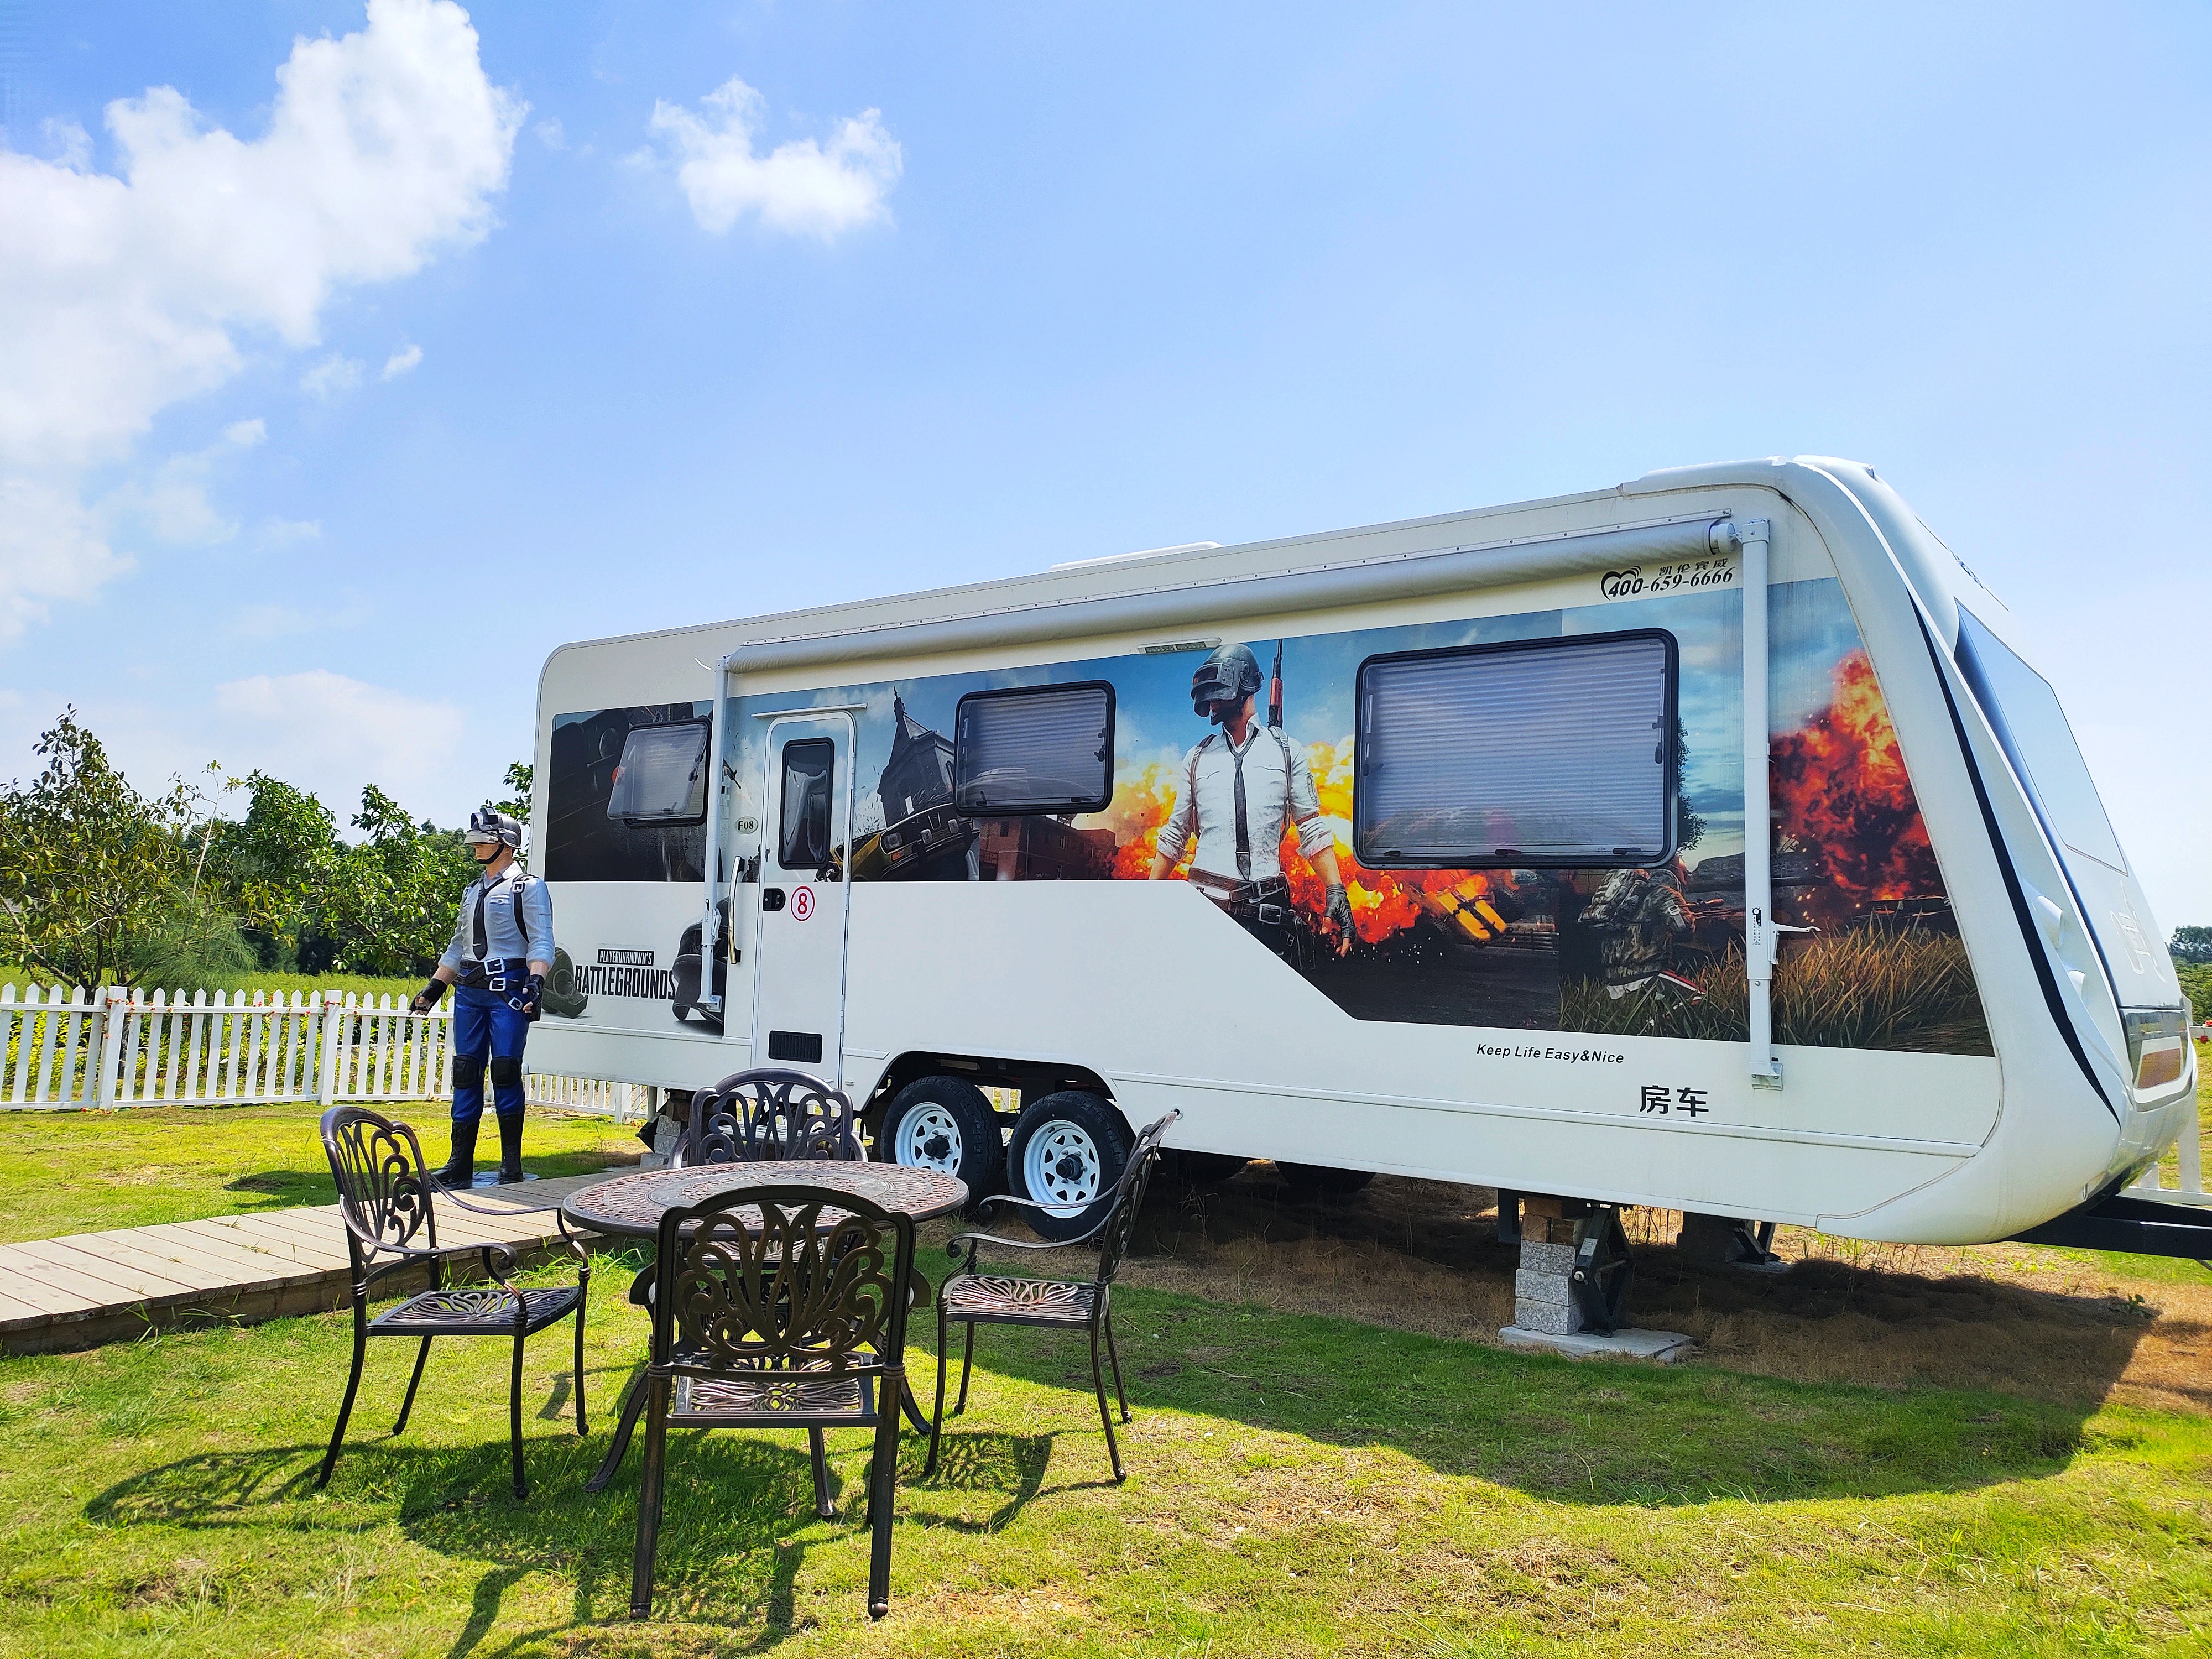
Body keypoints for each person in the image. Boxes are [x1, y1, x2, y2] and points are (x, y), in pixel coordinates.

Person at [1148, 642, 1355, 960]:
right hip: (1204, 913)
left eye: (1218, 692)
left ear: (1244, 685)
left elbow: (1311, 827)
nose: (1212, 702)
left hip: (1268, 920)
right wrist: (1147, 898)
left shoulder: (1287, 751)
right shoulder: (1197, 757)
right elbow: (1176, 834)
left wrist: (1335, 889)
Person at [410, 807, 556, 1185]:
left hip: (508, 990)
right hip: (469, 991)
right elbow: (458, 946)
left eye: (484, 841)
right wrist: (435, 987)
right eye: (475, 841)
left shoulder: (528, 887)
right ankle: (459, 1163)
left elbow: (542, 940)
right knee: (465, 1072)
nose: (476, 847)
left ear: (506, 844)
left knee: (505, 1071)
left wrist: (536, 981)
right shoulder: (472, 890)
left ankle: (511, 1164)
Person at [1580, 857, 1697, 999]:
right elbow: (1684, 929)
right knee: (1700, 1000)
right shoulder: (1664, 893)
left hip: (1614, 983)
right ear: (1674, 871)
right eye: (1685, 873)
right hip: (1650, 977)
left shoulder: (1626, 897)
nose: (1687, 879)